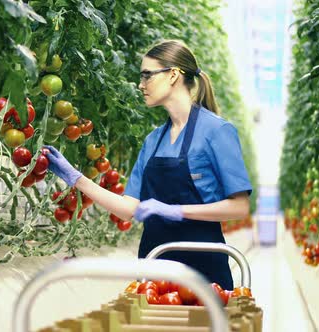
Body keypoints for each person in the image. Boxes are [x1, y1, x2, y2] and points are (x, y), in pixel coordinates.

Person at [44, 40, 252, 290]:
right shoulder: (153, 141)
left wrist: (177, 211)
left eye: (147, 76)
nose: (141, 85)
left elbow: (239, 207)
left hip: (204, 273)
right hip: (153, 268)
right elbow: (127, 209)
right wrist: (76, 178)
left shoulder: (217, 131)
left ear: (173, 74)